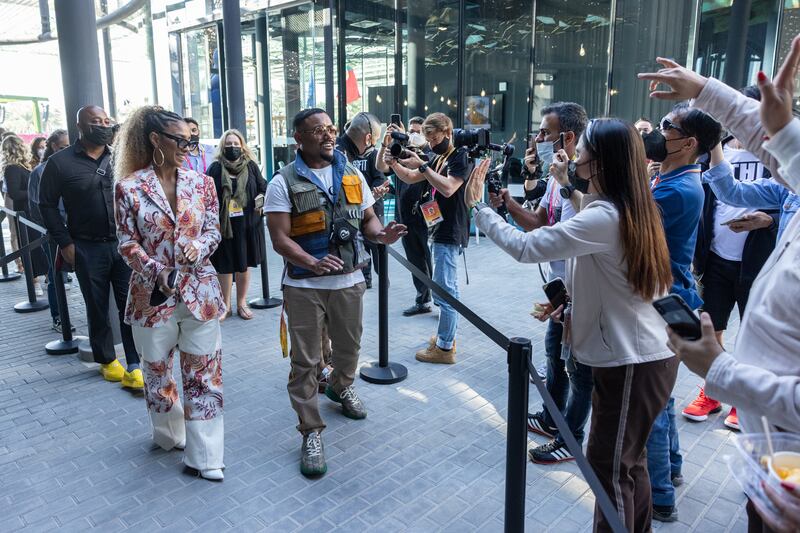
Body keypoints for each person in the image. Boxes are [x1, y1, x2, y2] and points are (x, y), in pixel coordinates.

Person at [467, 118, 675, 532]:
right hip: (643, 359)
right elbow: (607, 269)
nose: (573, 157)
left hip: (632, 363)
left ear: (599, 163)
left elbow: (527, 247)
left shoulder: (606, 216)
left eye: (581, 152)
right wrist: (575, 305)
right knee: (628, 466)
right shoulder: (626, 206)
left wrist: (479, 207)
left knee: (609, 472)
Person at [643, 37, 800, 531]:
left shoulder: (677, 186)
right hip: (775, 459)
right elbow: (772, 156)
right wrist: (706, 90)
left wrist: (723, 371)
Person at [265, 108, 405, 477]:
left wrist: (380, 235)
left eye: (330, 129)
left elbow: (369, 218)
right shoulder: (282, 181)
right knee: (306, 362)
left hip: (349, 281)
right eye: (316, 131)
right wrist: (310, 263)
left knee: (349, 350)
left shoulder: (352, 170)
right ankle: (310, 431)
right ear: (299, 138)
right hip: (304, 287)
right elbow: (279, 237)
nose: (327, 136)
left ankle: (341, 388)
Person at [113, 106, 225, 481]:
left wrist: (201, 246)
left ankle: (206, 457)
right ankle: (169, 433)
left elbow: (213, 231)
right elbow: (127, 244)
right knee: (157, 374)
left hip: (200, 294)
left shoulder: (202, 183)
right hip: (151, 299)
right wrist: (158, 271)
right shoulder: (128, 188)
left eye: (190, 140)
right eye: (180, 140)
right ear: (155, 140)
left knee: (204, 375)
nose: (187, 146)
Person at [494, 103, 594, 464]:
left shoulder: (585, 177)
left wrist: (569, 183)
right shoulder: (556, 175)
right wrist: (506, 203)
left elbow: (582, 226)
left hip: (585, 292)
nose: (538, 139)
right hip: (561, 289)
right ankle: (553, 419)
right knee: (556, 355)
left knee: (580, 372)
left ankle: (571, 438)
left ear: (567, 136)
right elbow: (538, 222)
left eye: (544, 133)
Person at [641, 104, 720, 522]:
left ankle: (660, 496)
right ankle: (670, 466)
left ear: (689, 143)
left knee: (648, 400)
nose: (658, 132)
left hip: (663, 297)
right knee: (662, 392)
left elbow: (628, 227)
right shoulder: (673, 178)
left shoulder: (677, 189)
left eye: (666, 127)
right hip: (669, 292)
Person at [686, 88, 778, 431]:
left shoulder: (780, 160)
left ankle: (743, 398)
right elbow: (721, 196)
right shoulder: (718, 152)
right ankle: (712, 391)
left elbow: (789, 206)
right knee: (713, 327)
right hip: (717, 258)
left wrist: (769, 221)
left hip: (759, 262)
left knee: (754, 335)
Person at [39, 105, 142, 389]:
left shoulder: (121, 158)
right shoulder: (60, 163)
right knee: (96, 305)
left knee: (129, 305)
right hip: (85, 246)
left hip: (124, 245)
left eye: (106, 121)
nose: (103, 125)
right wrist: (65, 243)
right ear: (81, 126)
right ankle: (107, 359)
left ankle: (134, 363)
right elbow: (46, 205)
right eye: (96, 121)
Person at [384, 112, 470, 364]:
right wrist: (395, 164)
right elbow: (411, 177)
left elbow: (448, 187)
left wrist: (423, 164)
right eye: (428, 139)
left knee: (446, 290)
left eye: (434, 138)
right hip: (439, 228)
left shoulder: (459, 156)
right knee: (443, 287)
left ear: (447, 132)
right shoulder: (438, 156)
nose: (431, 143)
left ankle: (444, 347)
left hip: (450, 230)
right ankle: (446, 337)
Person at [207, 129, 267, 321]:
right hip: (223, 226)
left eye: (236, 144)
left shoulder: (251, 167)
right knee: (224, 266)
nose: (232, 147)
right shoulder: (215, 168)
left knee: (243, 265)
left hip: (247, 225)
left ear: (242, 146)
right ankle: (225, 306)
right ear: (222, 146)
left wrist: (261, 198)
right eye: (228, 144)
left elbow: (264, 187)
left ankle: (241, 303)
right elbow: (206, 195)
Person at [377, 116, 433, 316]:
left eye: (418, 131)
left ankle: (437, 299)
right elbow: (381, 167)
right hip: (404, 216)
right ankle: (423, 299)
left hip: (424, 217)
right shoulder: (401, 152)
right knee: (414, 259)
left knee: (427, 259)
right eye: (411, 130)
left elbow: (414, 173)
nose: (413, 134)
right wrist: (386, 143)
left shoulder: (428, 156)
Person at [335, 112, 391, 288]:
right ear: (368, 138)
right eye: (375, 139)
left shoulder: (340, 151)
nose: (374, 144)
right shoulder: (341, 157)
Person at [28, 129, 73, 332]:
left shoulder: (75, 166)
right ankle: (59, 318)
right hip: (55, 233)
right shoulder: (40, 171)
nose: (68, 150)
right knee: (56, 276)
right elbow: (37, 207)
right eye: (64, 146)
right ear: (54, 146)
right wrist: (55, 230)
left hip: (78, 229)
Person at [1, 135, 48, 292]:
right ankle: (34, 283)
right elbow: (14, 193)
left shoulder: (22, 166)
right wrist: (35, 191)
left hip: (32, 212)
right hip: (24, 214)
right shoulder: (12, 168)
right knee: (29, 248)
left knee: (38, 247)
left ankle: (46, 278)